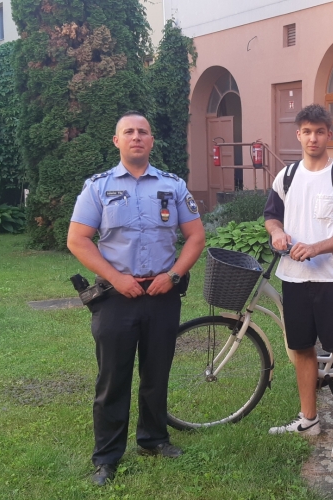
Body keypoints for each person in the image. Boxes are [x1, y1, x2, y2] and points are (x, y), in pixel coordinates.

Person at [67, 111, 206, 485]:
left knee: (156, 373)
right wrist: (116, 278)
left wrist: (173, 275)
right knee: (112, 378)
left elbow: (196, 236)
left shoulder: (172, 185)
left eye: (143, 132)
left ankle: (154, 439)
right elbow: (77, 239)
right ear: (117, 141)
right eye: (128, 132)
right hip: (116, 296)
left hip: (162, 294)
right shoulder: (98, 187)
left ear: (151, 140)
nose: (136, 137)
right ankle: (107, 457)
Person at [263, 104, 333, 459]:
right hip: (293, 278)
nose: (313, 138)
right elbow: (271, 215)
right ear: (298, 135)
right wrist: (277, 233)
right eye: (306, 131)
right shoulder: (287, 175)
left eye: (319, 131)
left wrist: (315, 248)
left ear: (328, 135)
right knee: (302, 348)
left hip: (332, 279)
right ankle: (309, 419)